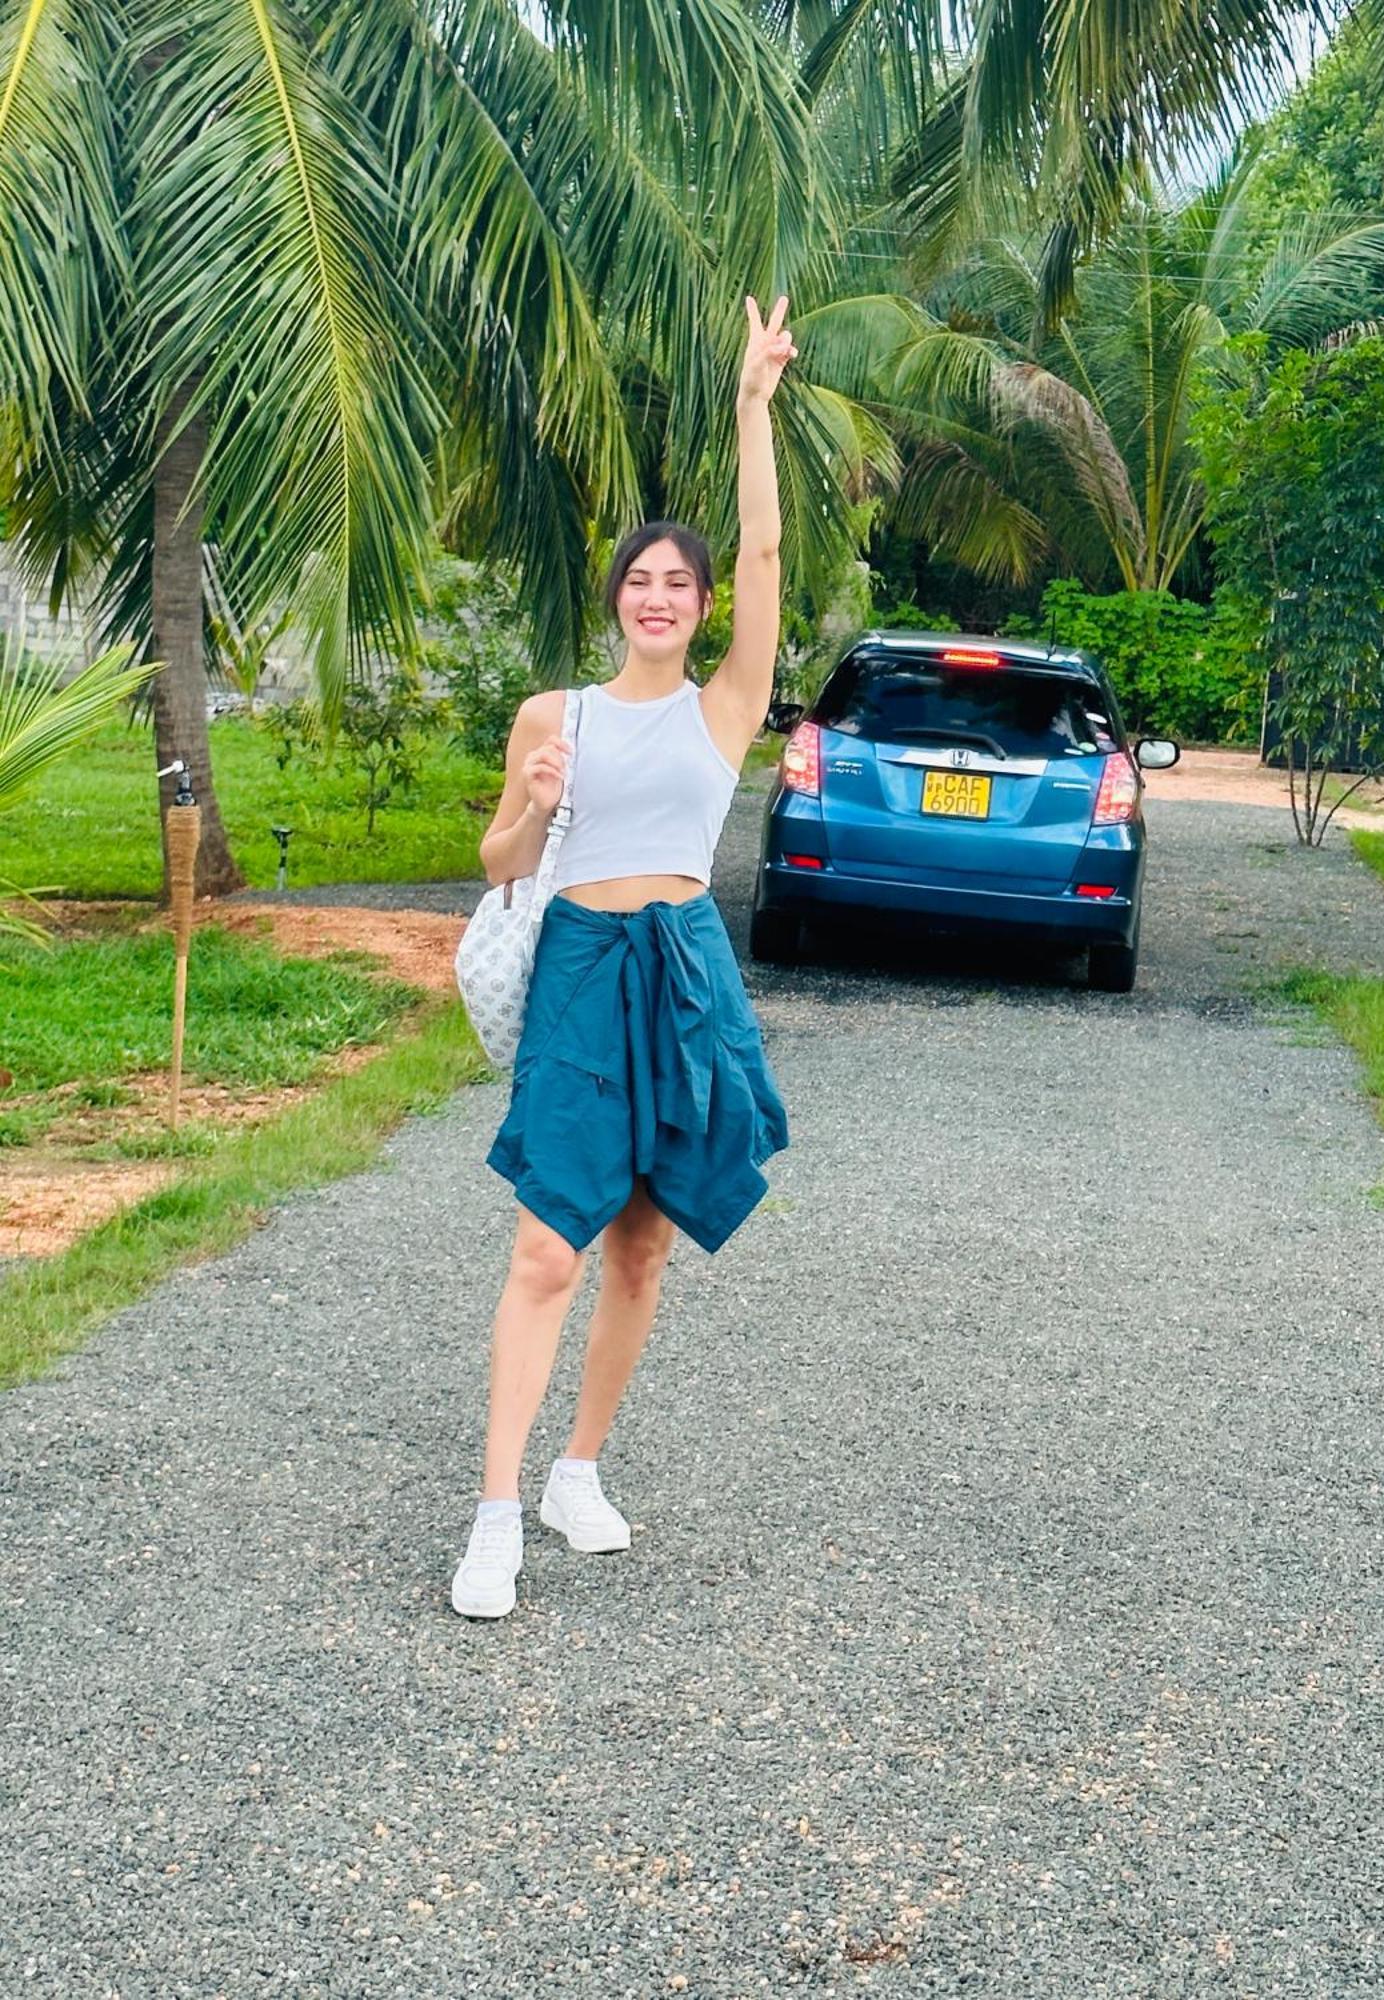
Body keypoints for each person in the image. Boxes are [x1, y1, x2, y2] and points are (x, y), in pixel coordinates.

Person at [451, 296, 797, 1619]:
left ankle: (576, 1471)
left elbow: (765, 551)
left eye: (680, 584)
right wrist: (538, 797)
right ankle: (496, 1516)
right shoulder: (557, 712)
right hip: (584, 964)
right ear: (617, 601)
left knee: (646, 1245)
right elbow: (497, 866)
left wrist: (750, 411)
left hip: (687, 965)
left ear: (703, 608)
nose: (659, 597)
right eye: (639, 581)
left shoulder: (726, 708)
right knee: (550, 1246)